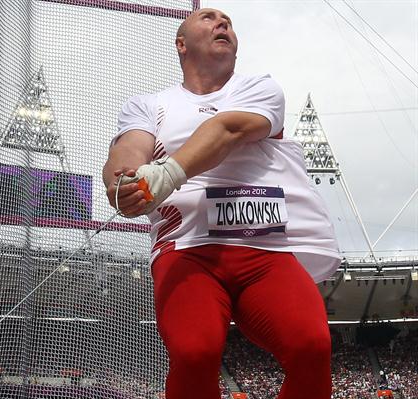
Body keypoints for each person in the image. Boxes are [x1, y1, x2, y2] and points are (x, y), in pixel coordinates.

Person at [102, 8, 341, 399]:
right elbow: (128, 152)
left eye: (228, 21)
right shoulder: (149, 105)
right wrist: (124, 184)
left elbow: (226, 129)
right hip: (188, 248)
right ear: (181, 44)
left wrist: (164, 175)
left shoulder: (259, 88)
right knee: (195, 354)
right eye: (208, 18)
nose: (222, 22)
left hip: (264, 249)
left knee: (311, 347)